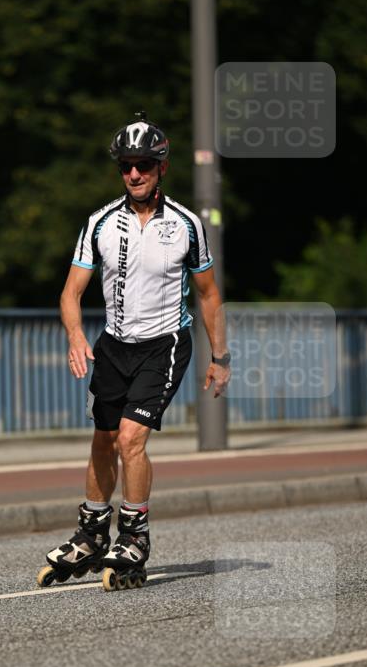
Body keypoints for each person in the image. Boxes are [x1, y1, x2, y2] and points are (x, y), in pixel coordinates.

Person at [39, 113, 230, 589]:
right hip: (113, 345)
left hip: (164, 345)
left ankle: (134, 536)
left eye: (143, 164)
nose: (134, 174)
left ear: (161, 167)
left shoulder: (186, 224)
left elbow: (208, 294)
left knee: (129, 439)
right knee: (103, 439)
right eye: (126, 165)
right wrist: (76, 336)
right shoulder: (100, 222)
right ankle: (91, 532)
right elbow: (70, 293)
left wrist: (220, 358)